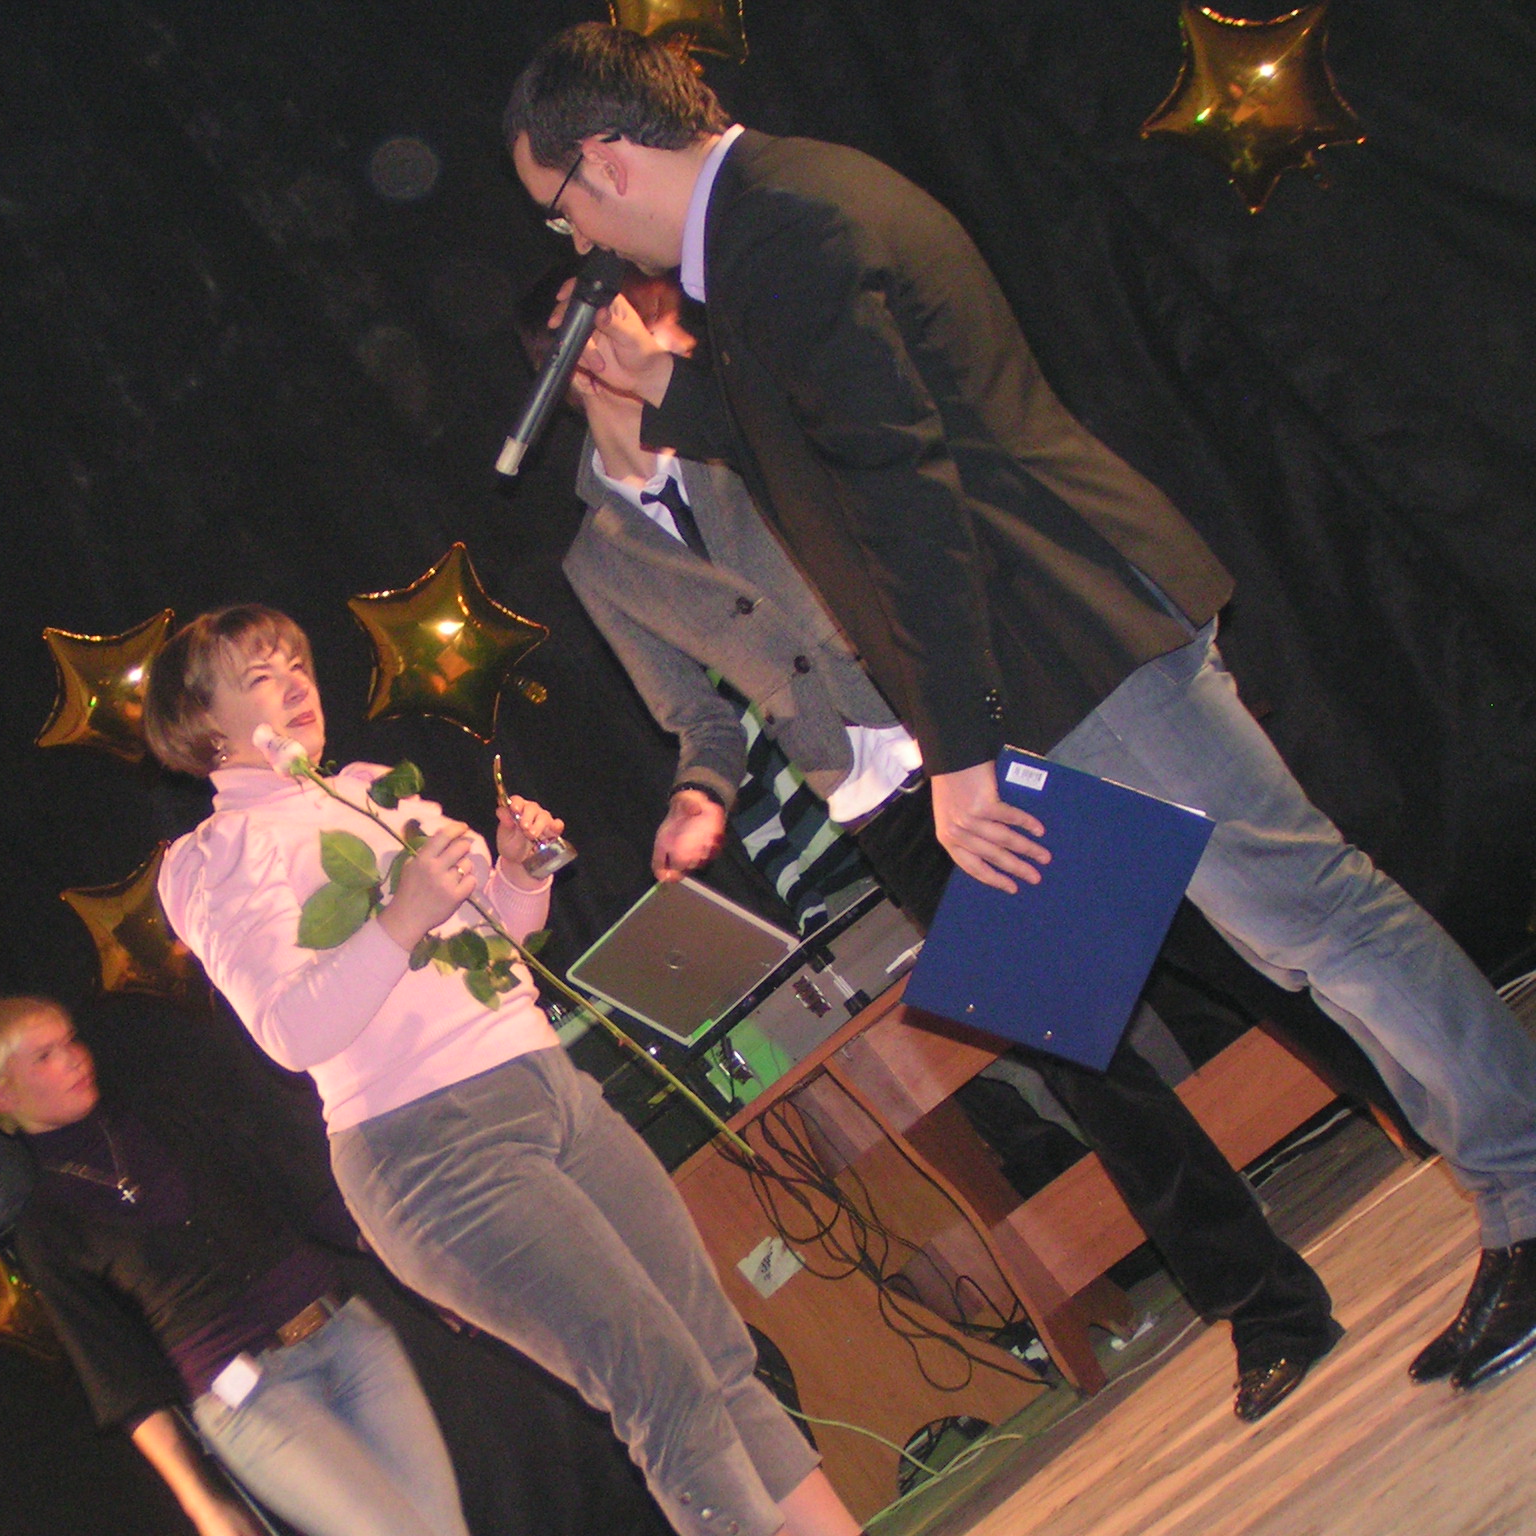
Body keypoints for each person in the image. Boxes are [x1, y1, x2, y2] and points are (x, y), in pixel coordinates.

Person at [503, 22, 1536, 1393]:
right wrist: (675, 396)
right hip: (1058, 638)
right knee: (1281, 936)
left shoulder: (778, 233)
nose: (576, 241)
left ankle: (1521, 1188)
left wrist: (960, 746)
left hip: (1065, 632)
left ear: (603, 159)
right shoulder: (781, 205)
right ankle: (1484, 1205)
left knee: (1316, 921)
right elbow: (830, 444)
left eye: (559, 208)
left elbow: (904, 494)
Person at [521, 267, 1348, 1420]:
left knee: (1223, 939)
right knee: (1074, 1053)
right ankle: (1265, 1307)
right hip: (879, 804)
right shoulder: (596, 559)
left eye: (622, 301)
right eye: (590, 314)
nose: (617, 322)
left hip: (967, 727)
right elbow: (696, 716)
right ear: (558, 366)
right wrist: (699, 795)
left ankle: (1441, 1109)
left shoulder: (738, 423)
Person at [146, 605, 864, 1536]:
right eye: (259, 678)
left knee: (718, 1356)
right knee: (658, 1381)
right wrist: (404, 912)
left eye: (297, 664)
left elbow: (493, 952)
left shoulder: (371, 792)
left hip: (546, 1086)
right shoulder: (217, 856)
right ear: (203, 726)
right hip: (431, 1149)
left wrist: (519, 877)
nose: (295, 685)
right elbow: (290, 1029)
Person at [0, 995, 472, 1536]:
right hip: (253, 1400)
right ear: (1, 1094)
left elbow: (302, 1195)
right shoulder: (48, 1227)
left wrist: (421, 1273)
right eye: (44, 1056)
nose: (74, 1058)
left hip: (346, 1336)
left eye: (70, 1041)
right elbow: (121, 1380)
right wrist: (201, 1501)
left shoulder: (165, 1115)